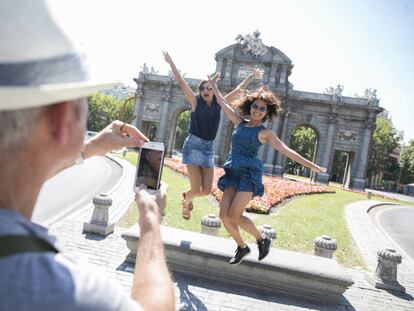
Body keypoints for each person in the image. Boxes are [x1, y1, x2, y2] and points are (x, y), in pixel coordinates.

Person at [0, 1, 174, 310]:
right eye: (84, 100)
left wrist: (93, 147)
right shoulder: (63, 292)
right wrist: (150, 221)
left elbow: (17, 171)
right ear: (62, 119)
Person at [208, 74, 327, 265]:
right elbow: (222, 103)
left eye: (262, 109)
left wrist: (312, 166)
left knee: (234, 216)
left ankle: (262, 239)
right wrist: (214, 86)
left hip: (247, 175)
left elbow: (288, 152)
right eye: (255, 106)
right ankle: (242, 247)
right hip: (233, 172)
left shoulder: (265, 133)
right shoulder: (239, 122)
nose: (257, 110)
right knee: (223, 215)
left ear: (266, 112)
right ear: (250, 106)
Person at [163, 51, 262, 220]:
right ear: (200, 92)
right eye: (202, 89)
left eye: (209, 88)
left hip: (208, 148)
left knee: (207, 190)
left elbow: (239, 90)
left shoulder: (218, 104)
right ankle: (187, 202)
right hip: (193, 146)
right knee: (196, 189)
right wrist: (171, 62)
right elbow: (181, 82)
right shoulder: (195, 102)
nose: (205, 91)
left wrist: (251, 77)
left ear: (214, 91)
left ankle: (187, 196)